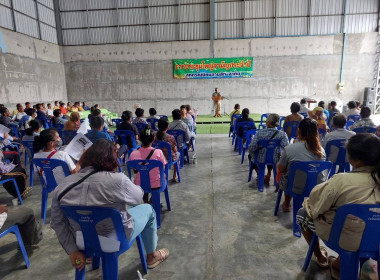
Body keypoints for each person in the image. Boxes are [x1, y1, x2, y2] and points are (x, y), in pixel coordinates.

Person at [50, 139, 169, 271]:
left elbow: (57, 222)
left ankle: (91, 256)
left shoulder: (63, 185)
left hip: (81, 243)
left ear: (85, 158)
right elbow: (137, 198)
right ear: (112, 159)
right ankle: (152, 256)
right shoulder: (118, 180)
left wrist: (72, 250)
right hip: (114, 241)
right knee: (148, 209)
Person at [296, 133, 380, 278]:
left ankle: (320, 256)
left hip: (346, 238)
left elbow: (316, 205)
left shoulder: (342, 180)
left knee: (303, 213)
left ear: (355, 159)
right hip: (377, 238)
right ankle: (346, 261)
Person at [277, 118, 326, 212]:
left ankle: (287, 204)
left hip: (294, 186)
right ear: (316, 132)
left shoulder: (289, 149)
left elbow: (281, 169)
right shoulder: (321, 150)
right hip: (316, 185)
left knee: (286, 171)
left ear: (298, 130)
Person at [248, 114, 289, 184]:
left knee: (251, 155)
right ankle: (269, 174)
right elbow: (287, 148)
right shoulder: (282, 134)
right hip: (275, 159)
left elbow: (252, 148)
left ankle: (259, 174)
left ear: (269, 122)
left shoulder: (259, 133)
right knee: (272, 154)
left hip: (260, 159)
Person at [130, 128, 166, 202]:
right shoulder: (158, 152)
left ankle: (145, 201)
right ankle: (153, 200)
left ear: (140, 139)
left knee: (144, 176)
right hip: (156, 184)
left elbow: (134, 171)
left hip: (139, 184)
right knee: (161, 176)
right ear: (153, 139)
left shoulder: (133, 153)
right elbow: (163, 167)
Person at [156, 117, 179, 182]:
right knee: (177, 154)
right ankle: (175, 175)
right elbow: (175, 150)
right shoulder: (170, 137)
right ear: (167, 127)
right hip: (168, 159)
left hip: (156, 158)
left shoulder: (153, 135)